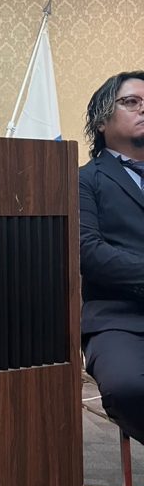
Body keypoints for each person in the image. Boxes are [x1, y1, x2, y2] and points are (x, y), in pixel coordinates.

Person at [79, 70, 144, 446]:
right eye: (131, 102)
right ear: (102, 121)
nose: (142, 109)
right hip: (118, 318)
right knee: (127, 386)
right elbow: (89, 252)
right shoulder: (83, 180)